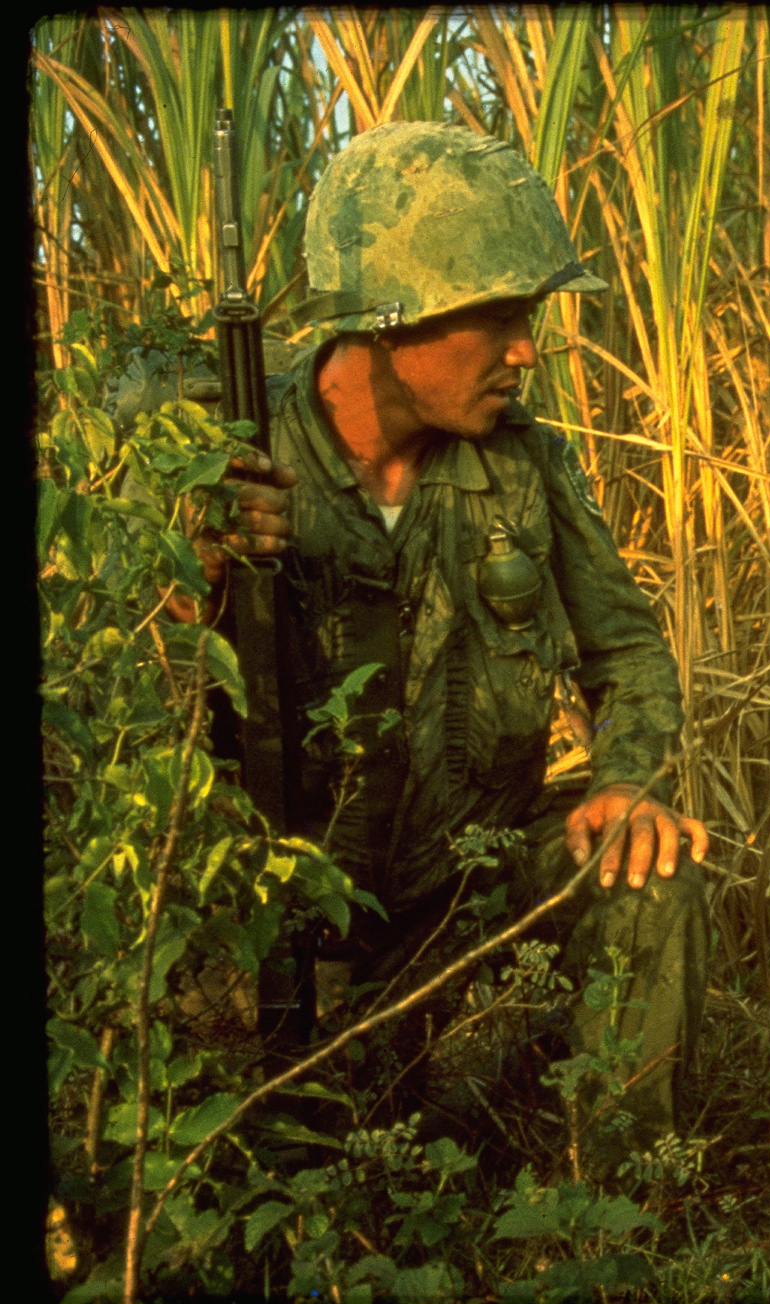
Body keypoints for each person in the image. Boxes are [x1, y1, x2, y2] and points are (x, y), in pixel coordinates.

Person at [161, 121, 710, 1146]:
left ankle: (621, 1227)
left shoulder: (522, 465)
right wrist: (194, 577)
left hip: (463, 901)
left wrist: (624, 784)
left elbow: (629, 654)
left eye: (528, 315)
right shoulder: (220, 453)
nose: (524, 348)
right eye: (496, 317)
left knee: (647, 877)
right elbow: (125, 714)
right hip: (274, 925)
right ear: (387, 319)